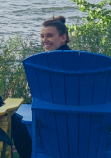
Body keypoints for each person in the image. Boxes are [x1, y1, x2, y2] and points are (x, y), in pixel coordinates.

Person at [12, 16, 71, 158]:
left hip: (54, 117)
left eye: (50, 36)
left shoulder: (44, 62)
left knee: (15, 119)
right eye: (42, 36)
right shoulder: (78, 60)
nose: (44, 40)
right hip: (77, 117)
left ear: (63, 38)